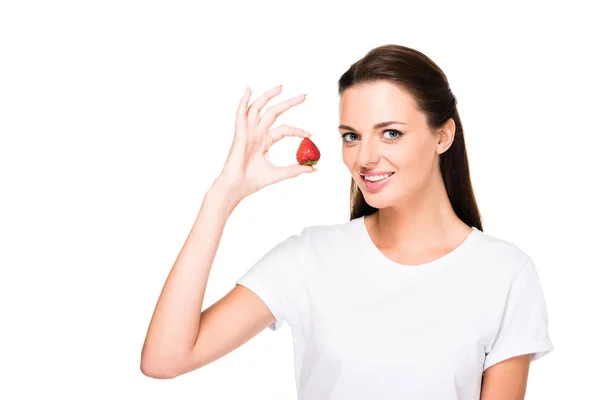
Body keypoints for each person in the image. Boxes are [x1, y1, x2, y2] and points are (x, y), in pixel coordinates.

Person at [140, 44, 553, 399]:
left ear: (442, 136)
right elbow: (165, 359)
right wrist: (222, 196)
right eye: (351, 135)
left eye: (390, 133)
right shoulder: (308, 258)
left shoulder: (506, 274)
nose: (365, 157)